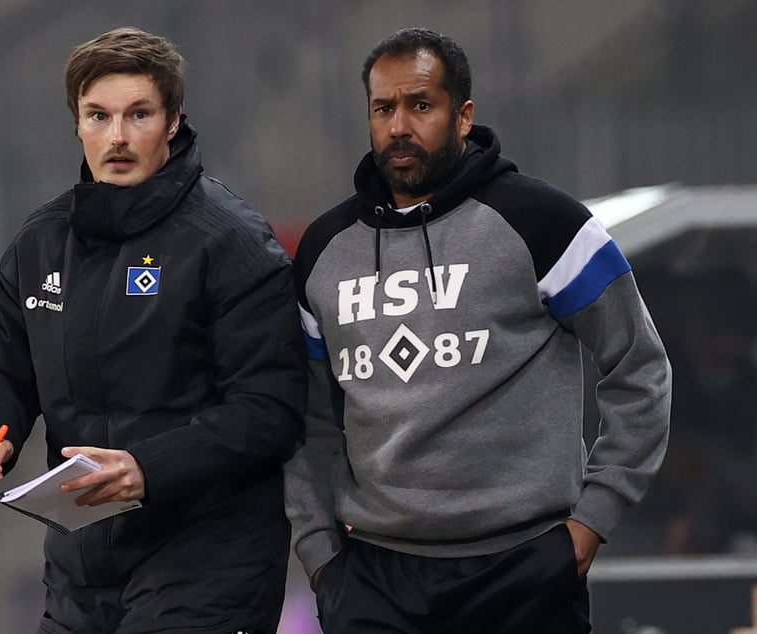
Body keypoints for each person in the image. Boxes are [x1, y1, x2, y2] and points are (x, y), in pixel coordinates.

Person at [283, 27, 671, 633]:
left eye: (420, 105)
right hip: (372, 578)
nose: (399, 127)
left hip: (525, 565)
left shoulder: (545, 222)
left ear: (463, 116)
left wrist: (592, 521)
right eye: (383, 108)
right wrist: (320, 558)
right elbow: (305, 420)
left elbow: (640, 368)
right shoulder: (324, 249)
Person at [0, 27, 306, 634]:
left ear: (172, 122)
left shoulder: (231, 242)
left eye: (138, 114)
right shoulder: (41, 242)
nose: (116, 136)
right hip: (81, 569)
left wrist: (149, 466)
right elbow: (1, 367)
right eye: (98, 115)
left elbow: (271, 409)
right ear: (76, 123)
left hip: (210, 561)